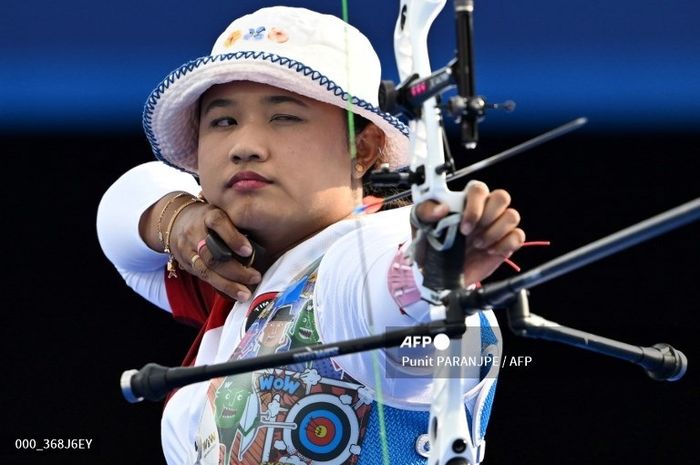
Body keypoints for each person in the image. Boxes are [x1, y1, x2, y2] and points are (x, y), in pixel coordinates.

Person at [96, 6, 525, 465]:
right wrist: (176, 217)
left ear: (361, 149)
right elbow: (119, 218)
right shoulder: (234, 276)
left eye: (284, 117)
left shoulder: (374, 246)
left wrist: (425, 275)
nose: (245, 146)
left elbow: (382, 307)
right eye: (223, 121)